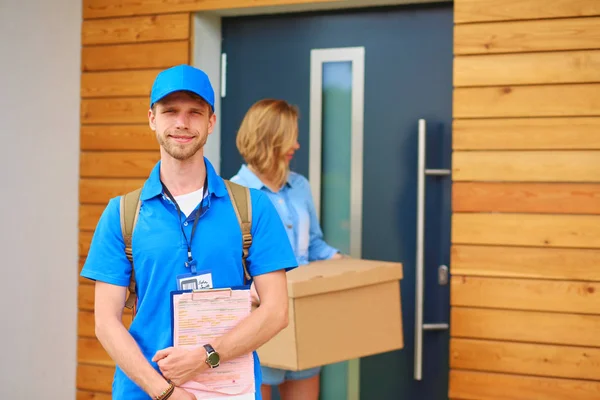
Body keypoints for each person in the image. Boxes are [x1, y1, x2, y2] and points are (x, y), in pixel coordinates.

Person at [80, 65, 298, 400]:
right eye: (170, 111)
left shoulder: (252, 209)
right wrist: (164, 391)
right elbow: (106, 324)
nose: (182, 123)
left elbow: (276, 311)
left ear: (211, 122)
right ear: (152, 118)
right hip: (144, 391)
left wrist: (205, 356)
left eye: (195, 112)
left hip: (229, 389)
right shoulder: (122, 215)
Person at [231, 99, 343, 400]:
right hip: (256, 318)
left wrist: (340, 262)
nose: (297, 143)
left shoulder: (300, 185)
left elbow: (314, 243)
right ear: (269, 139)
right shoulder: (234, 193)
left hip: (303, 315)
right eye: (289, 135)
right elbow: (225, 263)